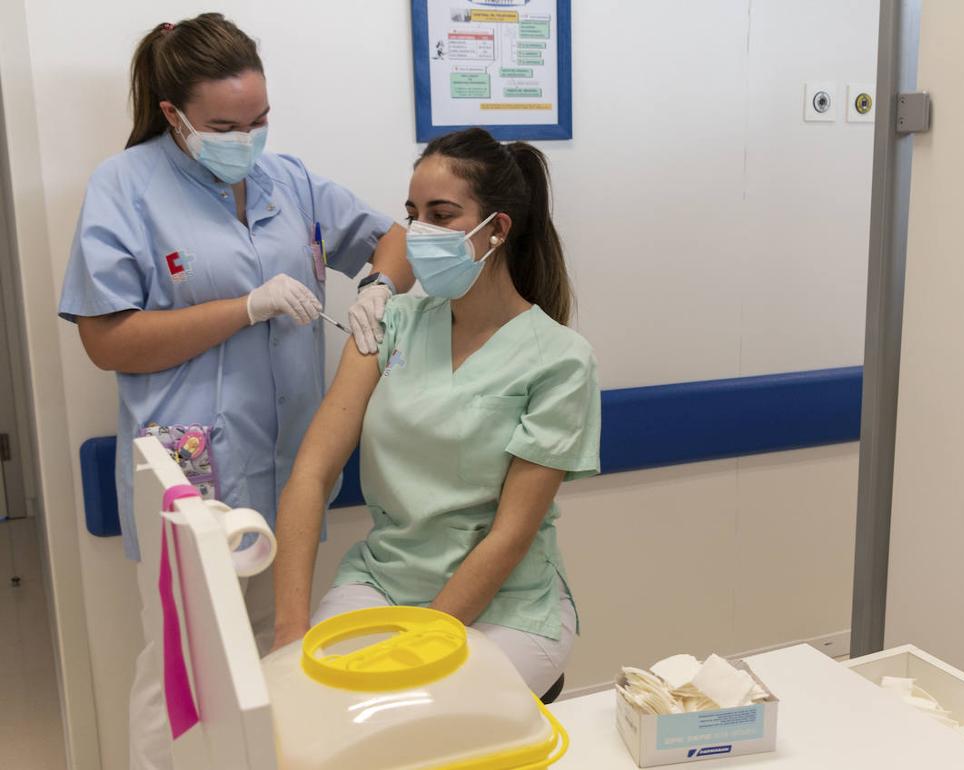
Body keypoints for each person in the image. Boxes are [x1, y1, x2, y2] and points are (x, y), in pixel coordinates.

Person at [56, 14, 413, 768]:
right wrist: (244, 307)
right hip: (189, 476)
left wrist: (380, 285)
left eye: (259, 120)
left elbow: (396, 237)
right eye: (224, 124)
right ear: (173, 116)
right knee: (183, 673)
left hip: (289, 470)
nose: (245, 139)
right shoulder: (126, 188)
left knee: (269, 653)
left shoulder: (290, 182)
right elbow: (105, 338)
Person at [272, 128, 600, 696]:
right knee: (319, 704)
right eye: (412, 213)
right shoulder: (389, 323)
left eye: (441, 214)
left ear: (497, 228)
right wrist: (289, 631)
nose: (417, 232)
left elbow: (510, 536)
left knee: (415, 713)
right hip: (383, 581)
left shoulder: (560, 360)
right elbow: (313, 472)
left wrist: (416, 650)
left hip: (508, 604)